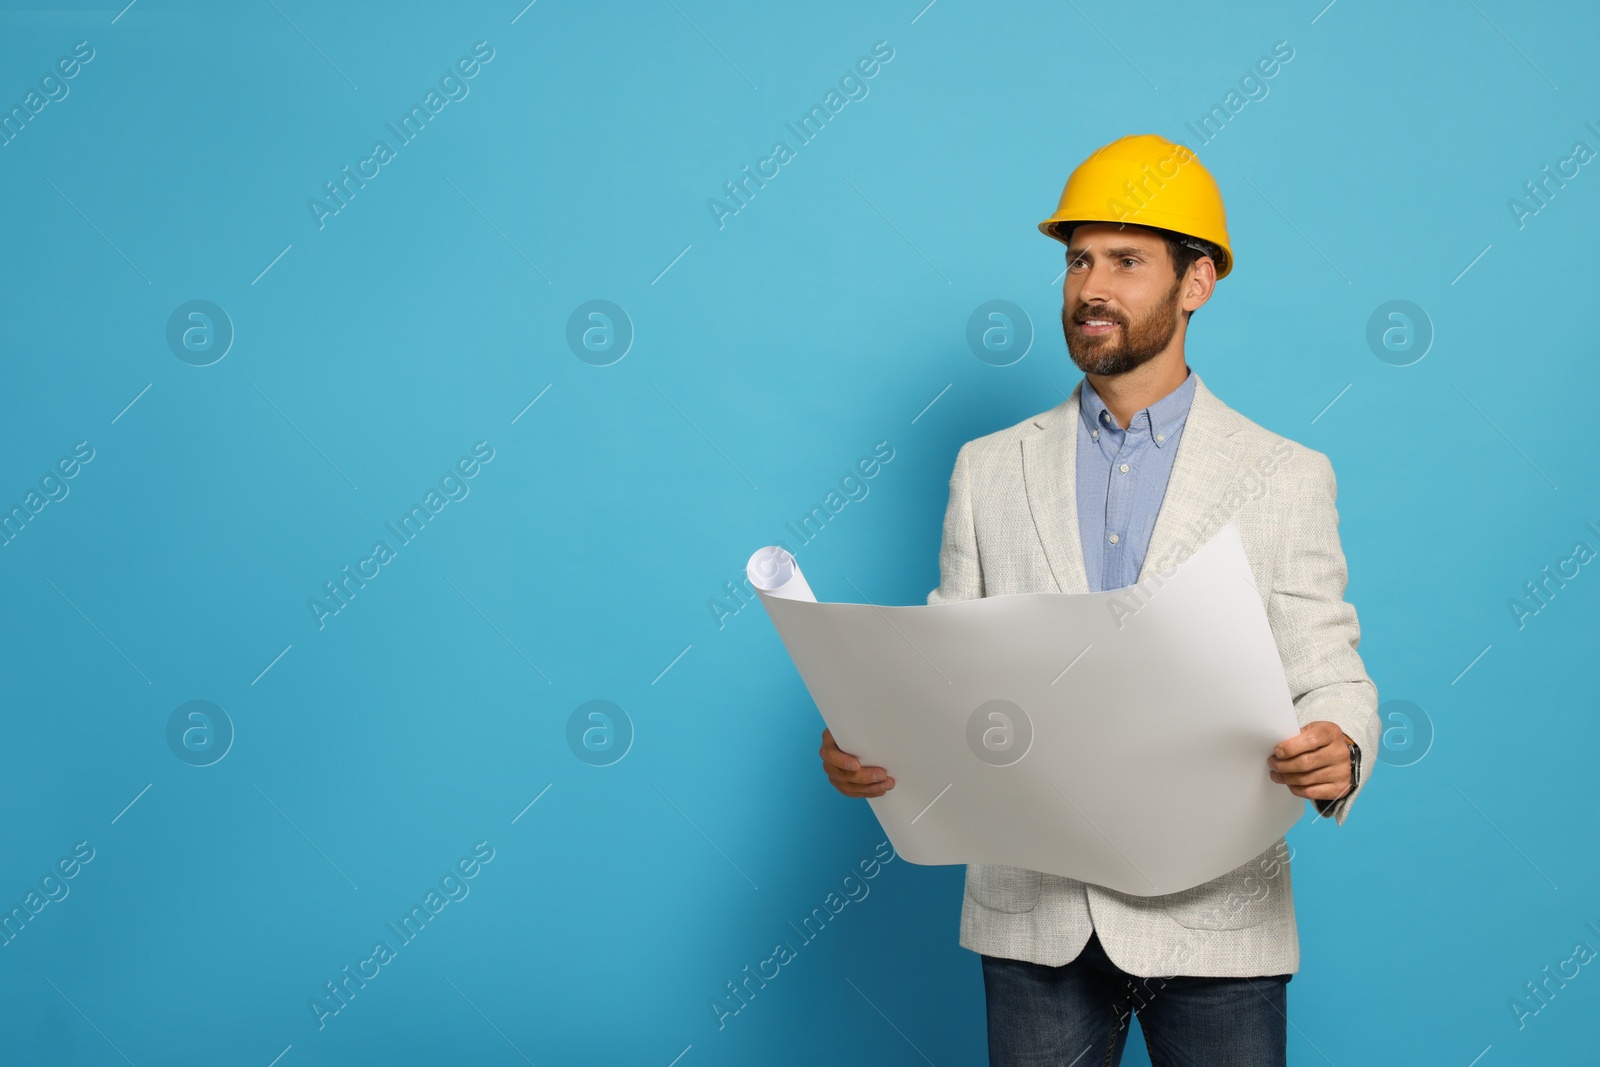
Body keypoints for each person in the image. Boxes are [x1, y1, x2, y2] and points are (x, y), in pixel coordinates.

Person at [817, 133, 1379, 1066]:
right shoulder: (989, 468)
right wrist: (870, 731)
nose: (1090, 289)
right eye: (1079, 260)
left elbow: (1332, 671)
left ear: (1196, 282)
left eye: (1126, 261)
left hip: (1218, 913)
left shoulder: (1284, 475)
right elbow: (947, 665)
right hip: (1034, 915)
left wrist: (1344, 743)